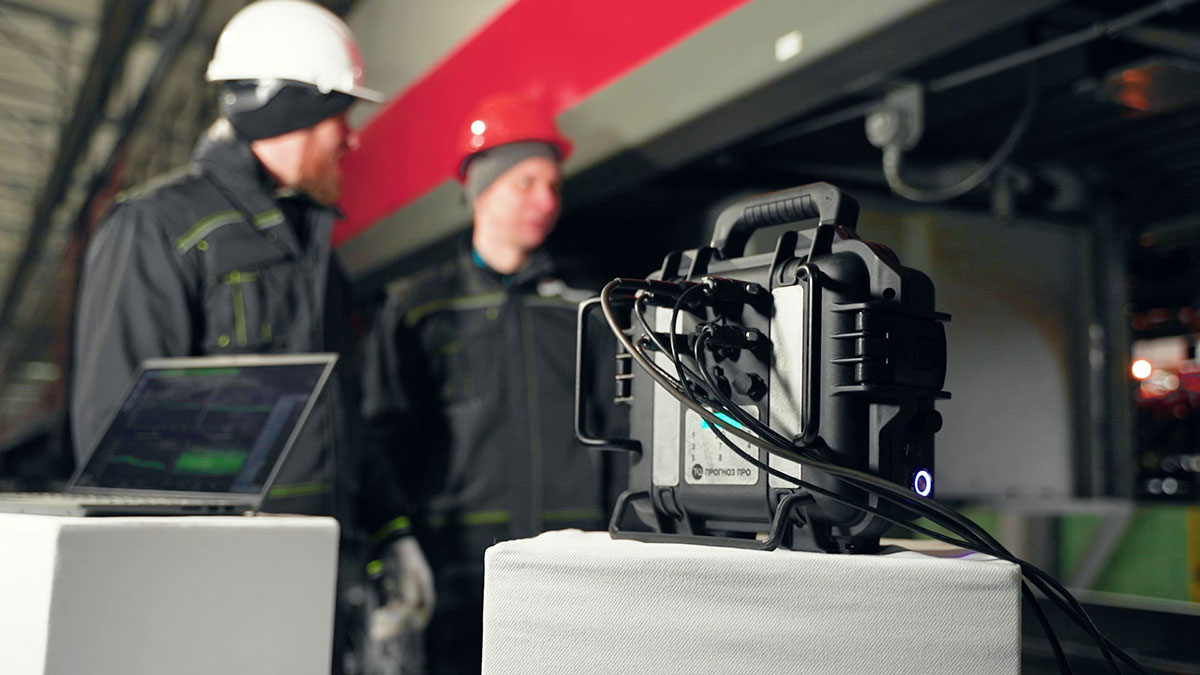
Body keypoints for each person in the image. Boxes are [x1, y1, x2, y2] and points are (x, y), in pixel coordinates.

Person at [69, 2, 431, 672]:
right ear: (293, 111)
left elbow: (345, 417)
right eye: (340, 115)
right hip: (219, 597)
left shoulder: (315, 258)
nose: (351, 139)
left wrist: (391, 530)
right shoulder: (155, 229)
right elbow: (118, 449)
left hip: (321, 584)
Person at [361, 94, 621, 674]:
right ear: (482, 188)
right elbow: (385, 436)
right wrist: (395, 539)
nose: (546, 201)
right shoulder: (418, 308)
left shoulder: (586, 304)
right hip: (459, 571)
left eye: (553, 186)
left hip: (574, 563)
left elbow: (621, 429)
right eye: (525, 183)